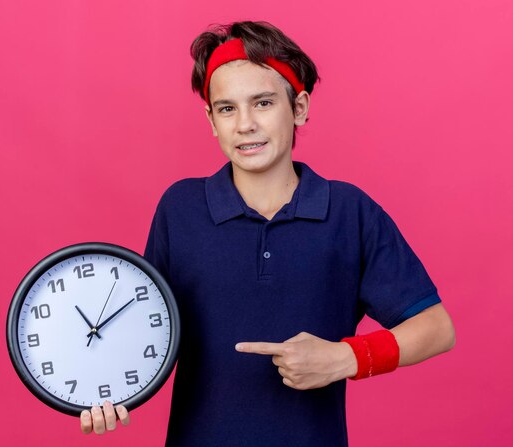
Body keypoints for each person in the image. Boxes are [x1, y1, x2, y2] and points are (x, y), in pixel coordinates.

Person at [79, 21, 455, 445]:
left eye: (262, 103)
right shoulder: (179, 209)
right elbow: (147, 334)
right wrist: (104, 388)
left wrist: (345, 357)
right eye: (227, 108)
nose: (244, 124)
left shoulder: (349, 212)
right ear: (211, 120)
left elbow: (437, 328)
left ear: (299, 108)